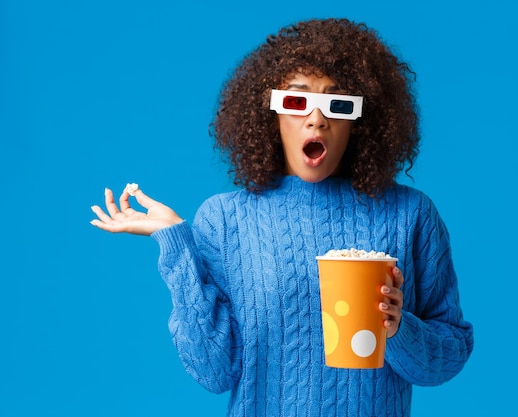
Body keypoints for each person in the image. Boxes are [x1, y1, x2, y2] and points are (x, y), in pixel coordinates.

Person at [90, 18, 473, 416]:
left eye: (337, 104)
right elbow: (213, 372)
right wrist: (176, 244)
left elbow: (447, 358)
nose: (316, 119)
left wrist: (398, 329)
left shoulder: (410, 214)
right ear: (269, 114)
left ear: (360, 123)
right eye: (296, 101)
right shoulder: (224, 219)